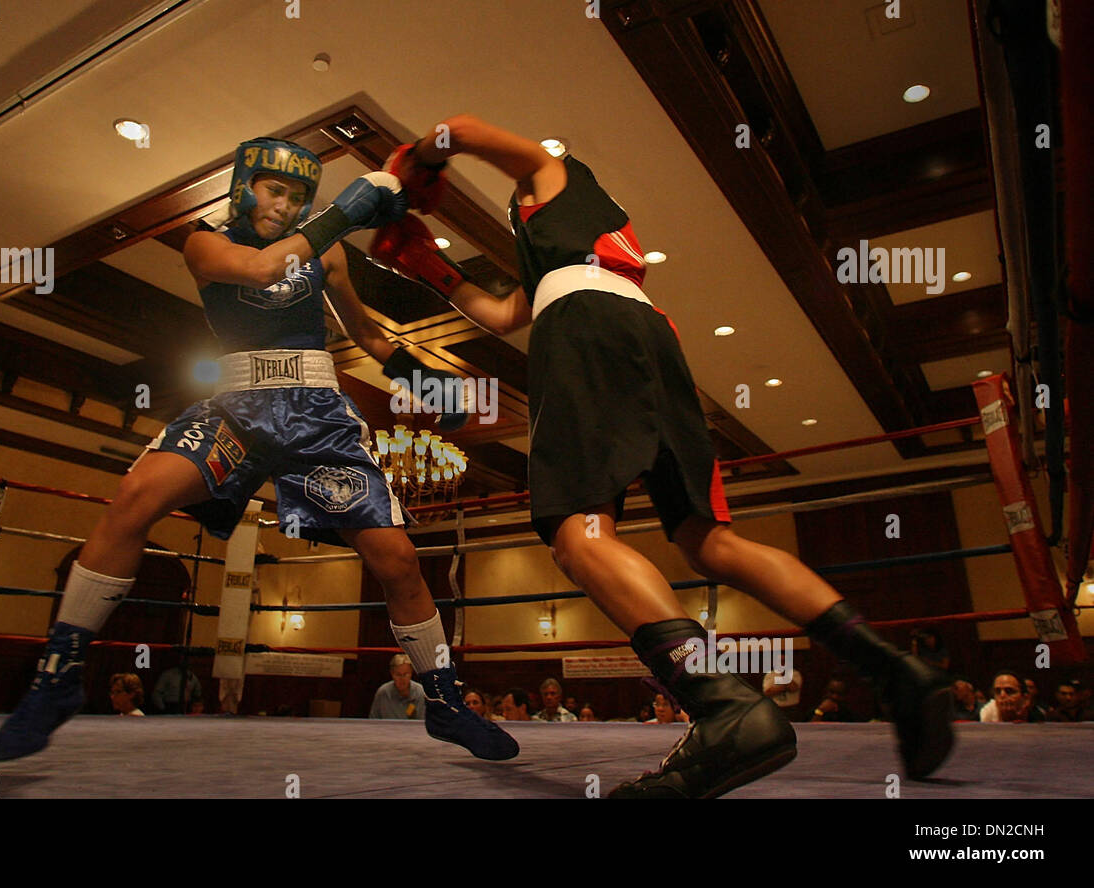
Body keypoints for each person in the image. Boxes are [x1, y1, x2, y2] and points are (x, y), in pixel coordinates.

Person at [371, 115, 953, 797]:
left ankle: (723, 706)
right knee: (710, 542)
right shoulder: (573, 250)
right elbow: (502, 315)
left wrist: (421, 157)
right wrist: (426, 265)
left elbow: (468, 130)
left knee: (577, 536)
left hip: (587, 336)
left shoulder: (556, 178)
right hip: (649, 339)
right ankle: (897, 672)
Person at [0, 139, 516, 762]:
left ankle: (447, 703)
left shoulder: (327, 251)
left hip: (317, 413)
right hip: (236, 406)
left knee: (397, 558)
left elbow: (369, 333)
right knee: (133, 497)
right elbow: (264, 270)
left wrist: (423, 379)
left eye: (297, 197)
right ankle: (57, 679)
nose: (285, 204)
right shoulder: (204, 241)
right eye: (275, 190)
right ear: (244, 187)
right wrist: (347, 209)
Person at [369, 654, 426, 719]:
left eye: (405, 674)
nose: (402, 678)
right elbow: (373, 722)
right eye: (398, 674)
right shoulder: (383, 693)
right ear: (392, 674)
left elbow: (424, 724)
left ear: (411, 673)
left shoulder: (421, 693)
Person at [980, 670, 1044, 723]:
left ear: (1025, 698)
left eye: (1009, 691)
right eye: (998, 692)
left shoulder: (1038, 717)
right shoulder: (986, 715)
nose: (1002, 695)